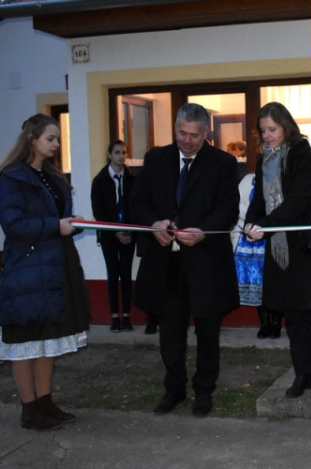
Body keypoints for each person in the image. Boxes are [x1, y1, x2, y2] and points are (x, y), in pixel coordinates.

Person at [130, 103, 239, 417]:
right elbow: (138, 203)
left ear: (206, 133)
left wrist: (203, 232)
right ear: (175, 128)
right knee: (170, 332)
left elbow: (228, 210)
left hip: (206, 262)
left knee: (207, 332)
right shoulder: (155, 159)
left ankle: (204, 391)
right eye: (182, 133)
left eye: (194, 135)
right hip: (166, 264)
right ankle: (173, 389)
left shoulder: (222, 163)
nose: (187, 140)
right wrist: (153, 224)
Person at [0, 114, 89, 430]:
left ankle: (45, 402)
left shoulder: (52, 176)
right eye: (51, 138)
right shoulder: (11, 177)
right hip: (25, 273)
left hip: (55, 270)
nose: (56, 144)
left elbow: (56, 220)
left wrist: (71, 223)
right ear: (32, 139)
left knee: (47, 340)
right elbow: (13, 226)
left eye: (57, 139)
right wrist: (56, 226)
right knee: (25, 344)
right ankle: (29, 408)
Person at [244, 102, 311, 399]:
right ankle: (302, 373)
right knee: (293, 317)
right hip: (280, 249)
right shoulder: (264, 160)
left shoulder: (305, 156)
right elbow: (259, 199)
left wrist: (267, 224)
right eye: (263, 131)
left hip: (307, 249)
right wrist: (250, 222)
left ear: (286, 126)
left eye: (272, 129)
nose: (267, 135)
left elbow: (299, 200)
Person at [91, 140, 136, 333]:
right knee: (113, 274)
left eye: (124, 153)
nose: (121, 156)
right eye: (117, 152)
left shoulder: (132, 179)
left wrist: (128, 232)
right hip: (109, 235)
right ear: (109, 155)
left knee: (126, 273)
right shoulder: (100, 180)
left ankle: (126, 316)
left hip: (128, 234)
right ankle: (114, 317)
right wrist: (114, 232)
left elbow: (136, 206)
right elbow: (98, 210)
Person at [232, 173, 269, 338]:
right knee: (258, 282)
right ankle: (265, 322)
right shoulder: (249, 180)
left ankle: (276, 323)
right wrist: (253, 218)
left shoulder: (284, 178)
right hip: (250, 238)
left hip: (274, 236)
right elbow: (237, 203)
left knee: (274, 281)